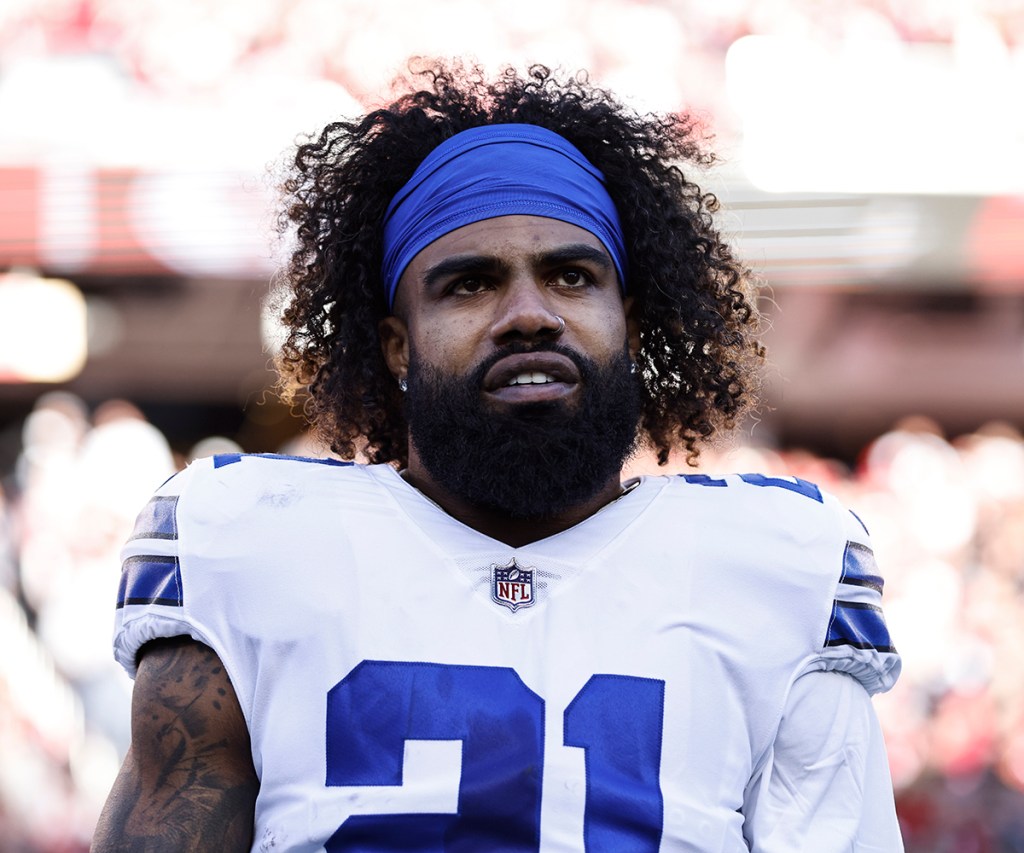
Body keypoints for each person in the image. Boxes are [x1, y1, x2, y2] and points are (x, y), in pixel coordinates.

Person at [92, 62, 903, 851]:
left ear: (631, 325)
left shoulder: (781, 565)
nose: (528, 315)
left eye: (572, 276)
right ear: (397, 347)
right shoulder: (243, 538)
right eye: (470, 283)